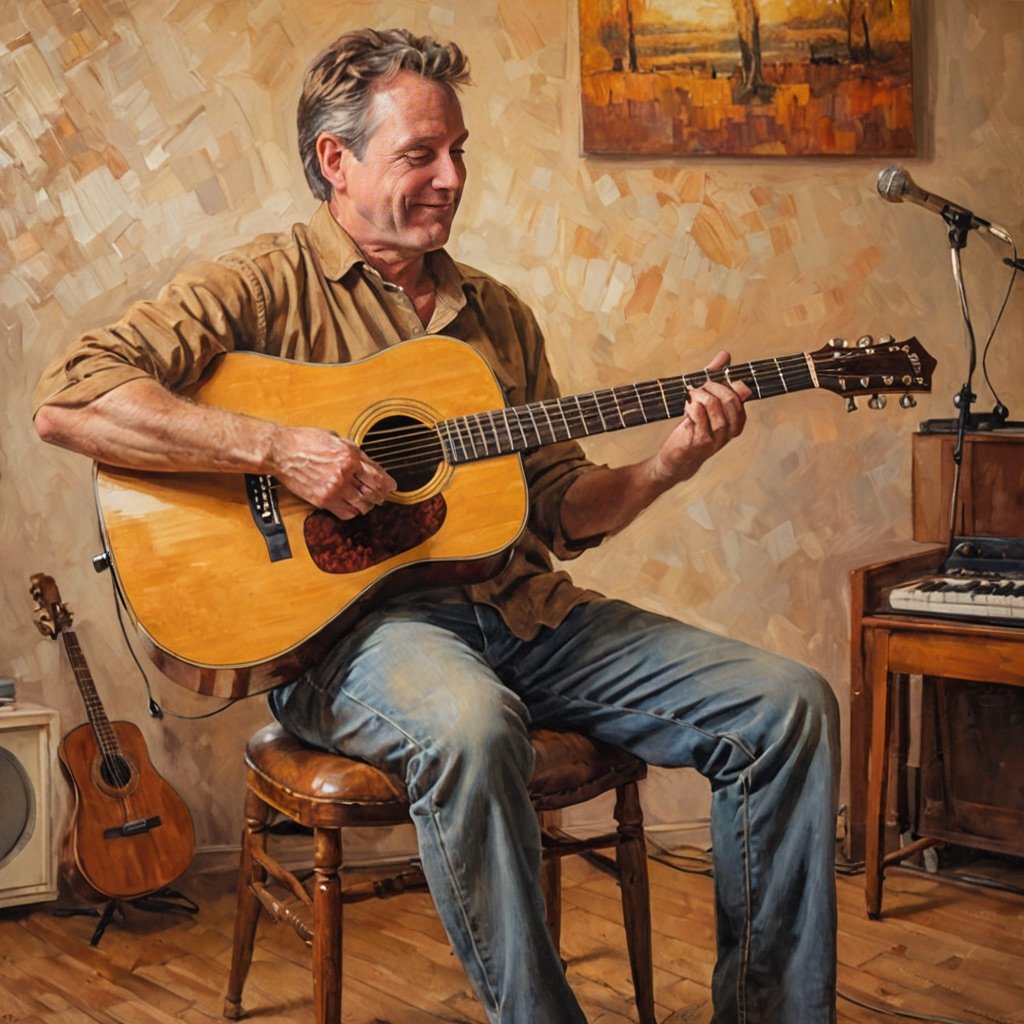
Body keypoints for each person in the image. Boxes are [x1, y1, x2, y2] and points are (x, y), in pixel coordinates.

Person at [33, 27, 839, 1024]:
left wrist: (670, 461)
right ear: (337, 160)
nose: (452, 178)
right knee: (469, 722)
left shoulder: (494, 314)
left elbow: (564, 508)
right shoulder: (259, 286)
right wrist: (279, 450)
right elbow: (71, 399)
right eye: (421, 153)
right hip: (355, 641)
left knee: (785, 702)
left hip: (526, 613)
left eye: (458, 151)